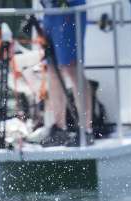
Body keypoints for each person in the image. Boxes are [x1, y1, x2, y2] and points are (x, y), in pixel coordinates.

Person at [36, 0, 93, 147]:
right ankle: (59, 128)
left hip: (68, 9)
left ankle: (86, 130)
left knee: (71, 67)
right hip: (50, 11)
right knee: (53, 68)